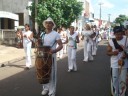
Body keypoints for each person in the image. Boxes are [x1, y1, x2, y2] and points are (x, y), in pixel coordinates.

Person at [40, 17, 63, 96]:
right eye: (46, 23)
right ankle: (45, 88)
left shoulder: (56, 34)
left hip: (51, 56)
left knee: (52, 74)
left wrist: (54, 51)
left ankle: (52, 91)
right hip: (43, 56)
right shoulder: (42, 34)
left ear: (52, 25)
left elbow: (61, 45)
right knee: (44, 73)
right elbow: (40, 44)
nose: (48, 24)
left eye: (50, 23)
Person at [107, 26, 128, 96]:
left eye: (120, 34)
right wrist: (113, 53)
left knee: (123, 80)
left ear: (123, 33)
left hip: (124, 64)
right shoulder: (111, 41)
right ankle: (115, 93)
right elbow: (107, 53)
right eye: (117, 34)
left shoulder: (127, 40)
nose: (119, 36)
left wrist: (126, 55)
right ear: (114, 34)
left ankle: (122, 94)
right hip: (114, 64)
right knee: (115, 81)